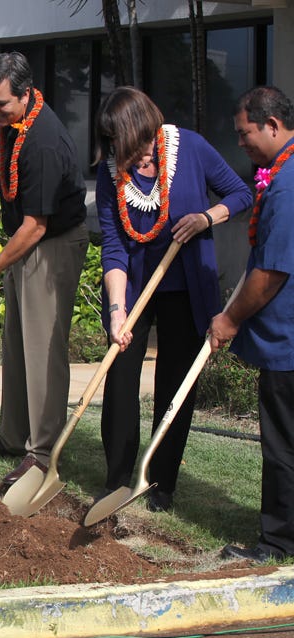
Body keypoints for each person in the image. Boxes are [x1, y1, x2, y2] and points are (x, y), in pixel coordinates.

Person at [94, 87, 252, 512]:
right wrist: (116, 310)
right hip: (134, 291)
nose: (114, 150)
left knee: (176, 382)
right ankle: (117, 478)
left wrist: (205, 218)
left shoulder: (190, 148)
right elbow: (113, 245)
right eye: (109, 143)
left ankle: (161, 481)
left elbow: (241, 193)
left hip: (185, 286)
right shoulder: (112, 173)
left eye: (118, 141)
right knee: (120, 378)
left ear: (140, 131)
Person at [0, 52, 89, 487]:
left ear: (25, 93)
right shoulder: (13, 125)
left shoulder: (45, 141)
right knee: (16, 344)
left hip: (51, 246)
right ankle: (13, 437)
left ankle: (41, 452)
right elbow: (4, 158)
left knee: (42, 351)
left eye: (0, 104)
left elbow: (37, 226)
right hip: (26, 239)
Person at [209, 85, 294, 563]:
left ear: (272, 125)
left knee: (282, 445)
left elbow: (271, 271)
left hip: (288, 342)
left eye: (245, 133)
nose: (240, 142)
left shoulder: (286, 184)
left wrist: (230, 318)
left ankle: (278, 541)